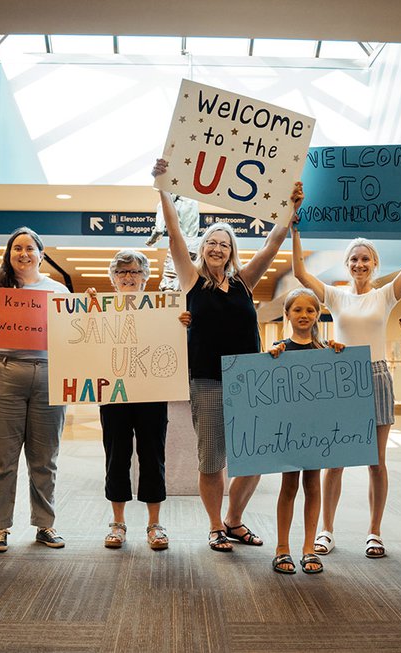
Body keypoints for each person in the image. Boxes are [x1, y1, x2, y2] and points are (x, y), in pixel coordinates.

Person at [153, 157, 302, 552]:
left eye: (224, 243)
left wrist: (291, 208)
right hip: (207, 379)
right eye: (212, 242)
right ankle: (216, 526)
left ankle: (235, 519)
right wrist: (163, 187)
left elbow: (272, 243)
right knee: (211, 460)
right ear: (203, 248)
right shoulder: (191, 279)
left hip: (250, 380)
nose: (217, 247)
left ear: (232, 251)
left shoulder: (244, 282)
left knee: (256, 457)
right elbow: (173, 234)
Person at [292, 201, 401, 559]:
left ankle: (374, 532)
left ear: (375, 264)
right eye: (353, 259)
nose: (359, 264)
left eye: (365, 259)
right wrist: (294, 228)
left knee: (376, 461)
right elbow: (299, 273)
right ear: (347, 265)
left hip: (375, 376)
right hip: (342, 378)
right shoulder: (336, 296)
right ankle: (326, 530)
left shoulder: (384, 295)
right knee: (335, 460)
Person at [0, 227, 69, 552]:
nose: (23, 254)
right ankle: (0, 527)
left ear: (41, 253)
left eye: (30, 248)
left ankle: (45, 525)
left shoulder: (57, 290)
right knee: (1, 457)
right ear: (9, 254)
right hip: (3, 372)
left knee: (45, 457)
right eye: (17, 249)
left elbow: (76, 332)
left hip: (49, 373)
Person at [91, 249, 187, 551]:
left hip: (152, 394)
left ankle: (154, 524)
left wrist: (181, 323)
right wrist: (84, 310)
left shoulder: (162, 309)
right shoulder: (100, 308)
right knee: (116, 457)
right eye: (122, 272)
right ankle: (117, 524)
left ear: (146, 277)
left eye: (134, 271)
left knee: (153, 456)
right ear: (113, 278)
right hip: (114, 394)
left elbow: (175, 349)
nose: (128, 277)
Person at [267, 289, 344, 574]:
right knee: (289, 486)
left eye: (310, 310)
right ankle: (282, 549)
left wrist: (339, 357)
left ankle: (309, 548)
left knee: (313, 486)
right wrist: (270, 358)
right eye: (297, 310)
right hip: (290, 430)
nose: (304, 315)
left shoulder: (327, 351)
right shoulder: (279, 349)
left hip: (317, 430)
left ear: (317, 315)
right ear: (286, 314)